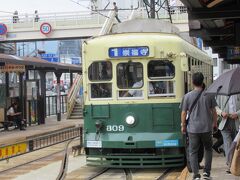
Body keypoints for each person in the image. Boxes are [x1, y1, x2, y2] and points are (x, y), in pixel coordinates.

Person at [181, 72, 218, 180]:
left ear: (192, 82)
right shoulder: (209, 95)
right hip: (206, 128)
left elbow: (183, 113)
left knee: (193, 151)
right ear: (203, 82)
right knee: (208, 149)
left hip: (193, 129)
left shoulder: (187, 96)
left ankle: (196, 175)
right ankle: (206, 173)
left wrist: (183, 126)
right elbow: (214, 111)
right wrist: (214, 124)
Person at [215, 94, 240, 173]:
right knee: (228, 143)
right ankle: (230, 165)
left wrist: (237, 114)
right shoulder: (221, 93)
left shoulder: (238, 91)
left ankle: (235, 163)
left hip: (237, 121)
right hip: (224, 122)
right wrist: (221, 113)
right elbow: (215, 107)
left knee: (235, 144)